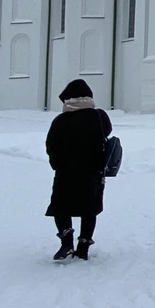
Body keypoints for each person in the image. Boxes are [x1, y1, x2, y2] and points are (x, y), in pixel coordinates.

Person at [45, 78, 113, 260]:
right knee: (89, 209)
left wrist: (57, 164)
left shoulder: (60, 120)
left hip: (65, 171)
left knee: (61, 207)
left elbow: (51, 145)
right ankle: (83, 247)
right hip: (93, 171)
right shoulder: (99, 116)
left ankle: (66, 242)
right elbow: (107, 132)